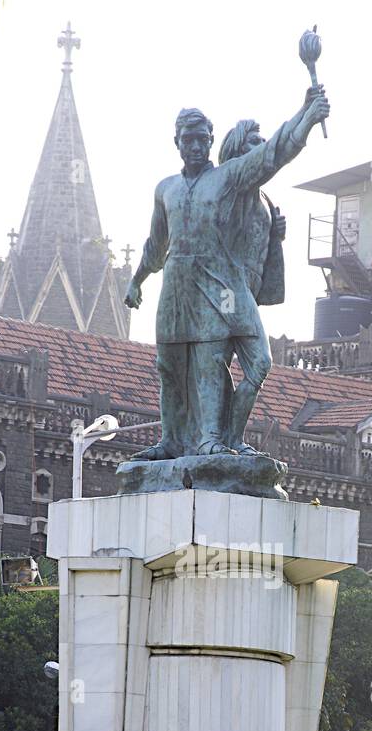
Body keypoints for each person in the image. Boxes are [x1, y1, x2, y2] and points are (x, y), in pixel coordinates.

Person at [124, 85, 330, 459]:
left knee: (209, 365)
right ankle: (170, 440)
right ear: (177, 142)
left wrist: (306, 116)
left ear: (211, 141)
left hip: (216, 285)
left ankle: (211, 438)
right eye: (188, 139)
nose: (196, 146)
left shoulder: (227, 178)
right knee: (168, 367)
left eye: (202, 139)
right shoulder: (165, 189)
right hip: (174, 285)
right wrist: (137, 280)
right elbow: (156, 244)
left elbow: (273, 154)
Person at [216, 118, 287, 452]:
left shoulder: (262, 198)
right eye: (252, 143)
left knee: (219, 366)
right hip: (229, 293)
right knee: (257, 364)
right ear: (236, 151)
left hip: (247, 295)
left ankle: (226, 439)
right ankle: (227, 439)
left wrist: (277, 236)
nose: (261, 147)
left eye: (263, 141)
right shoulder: (234, 187)